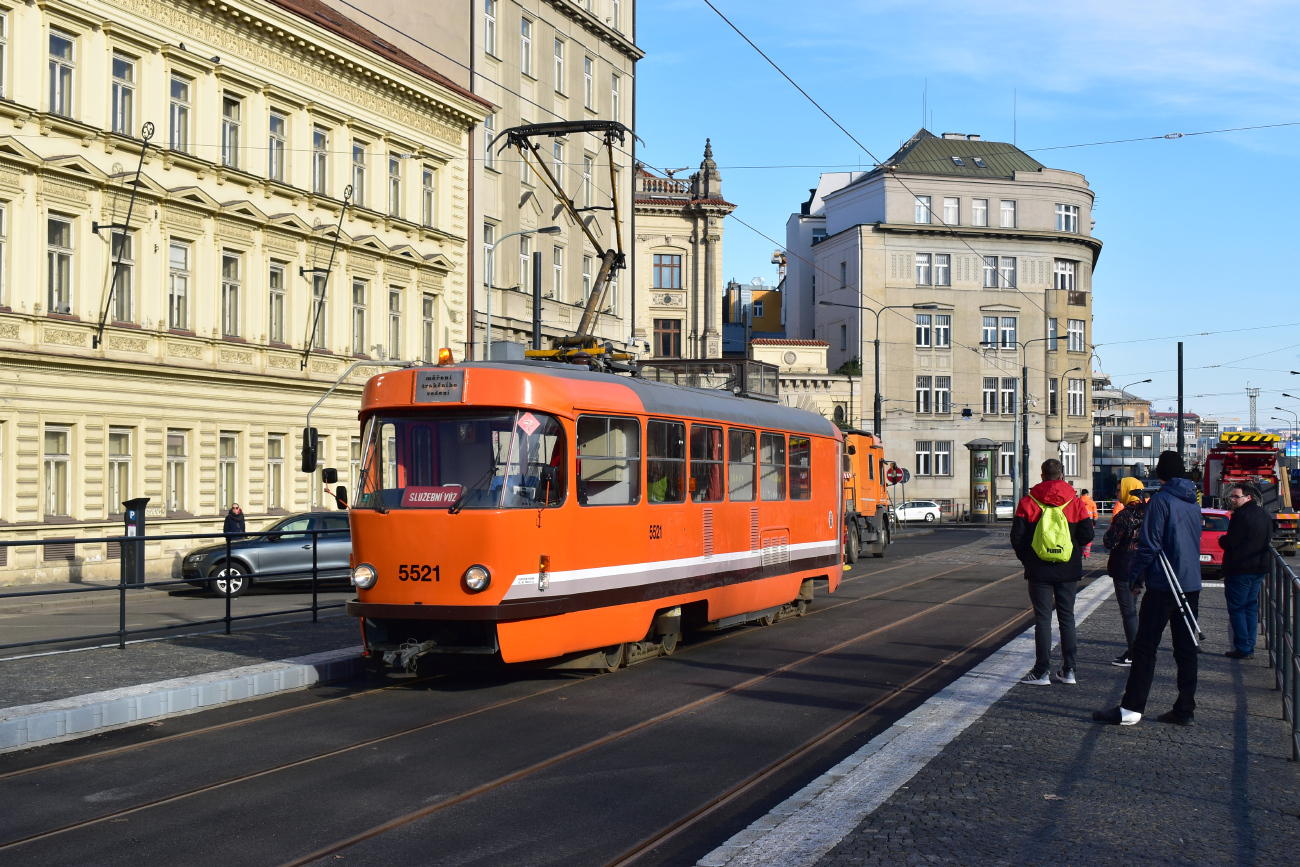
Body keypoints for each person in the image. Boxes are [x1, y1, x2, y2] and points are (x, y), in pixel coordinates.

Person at [1094, 451, 1202, 727]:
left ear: (1161, 472)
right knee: (1186, 648)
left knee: (1145, 647)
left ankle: (1131, 709)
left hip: (1164, 583)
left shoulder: (1161, 500)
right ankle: (1185, 709)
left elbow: (1150, 545)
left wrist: (1133, 577)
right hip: (1190, 583)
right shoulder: (1193, 500)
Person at [1011, 459, 1095, 686]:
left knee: (1043, 620)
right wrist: (1072, 548)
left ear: (1042, 475)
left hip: (1038, 570)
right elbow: (1088, 534)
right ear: (1062, 475)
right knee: (1067, 618)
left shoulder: (1028, 502)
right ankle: (1069, 671)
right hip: (1068, 568)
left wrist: (1028, 559)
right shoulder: (1076, 501)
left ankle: (1041, 671)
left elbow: (1016, 537)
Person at [1219, 482, 1271, 659]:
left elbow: (1231, 542)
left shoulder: (1241, 516)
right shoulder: (1263, 514)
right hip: (1259, 568)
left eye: (1236, 496)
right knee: (1250, 607)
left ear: (1248, 497)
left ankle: (1243, 647)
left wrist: (1221, 539)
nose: (1232, 499)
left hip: (1240, 569)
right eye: (1231, 496)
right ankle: (1249, 643)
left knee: (1237, 608)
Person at [1102, 486, 1147, 666]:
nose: (1117, 493)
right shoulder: (1146, 514)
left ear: (1129, 491)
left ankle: (1134, 651)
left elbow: (1109, 541)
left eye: (1120, 490)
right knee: (1132, 611)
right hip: (1140, 568)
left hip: (1124, 569)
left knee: (1128, 612)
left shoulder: (1124, 515)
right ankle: (1135, 649)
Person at [1079, 488, 1098, 558]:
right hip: (1090, 522)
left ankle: (1080, 551)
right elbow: (1095, 514)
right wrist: (1095, 522)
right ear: (1087, 494)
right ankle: (1086, 553)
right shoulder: (1092, 502)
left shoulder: (1079, 501)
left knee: (1080, 536)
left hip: (1080, 522)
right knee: (1089, 537)